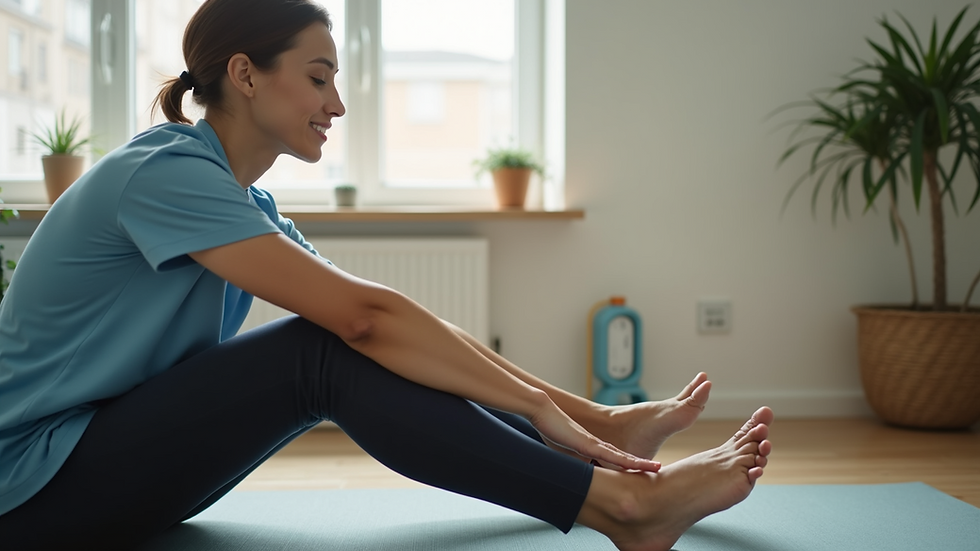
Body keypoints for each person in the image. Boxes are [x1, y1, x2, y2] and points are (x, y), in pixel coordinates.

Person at [0, 1, 773, 549]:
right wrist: (543, 405)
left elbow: (395, 329)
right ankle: (624, 506)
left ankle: (601, 458)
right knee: (324, 349)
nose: (336, 102)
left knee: (358, 339)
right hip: (32, 491)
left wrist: (588, 416)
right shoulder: (164, 175)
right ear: (244, 72)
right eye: (317, 76)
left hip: (103, 472)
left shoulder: (242, 199)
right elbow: (360, 322)